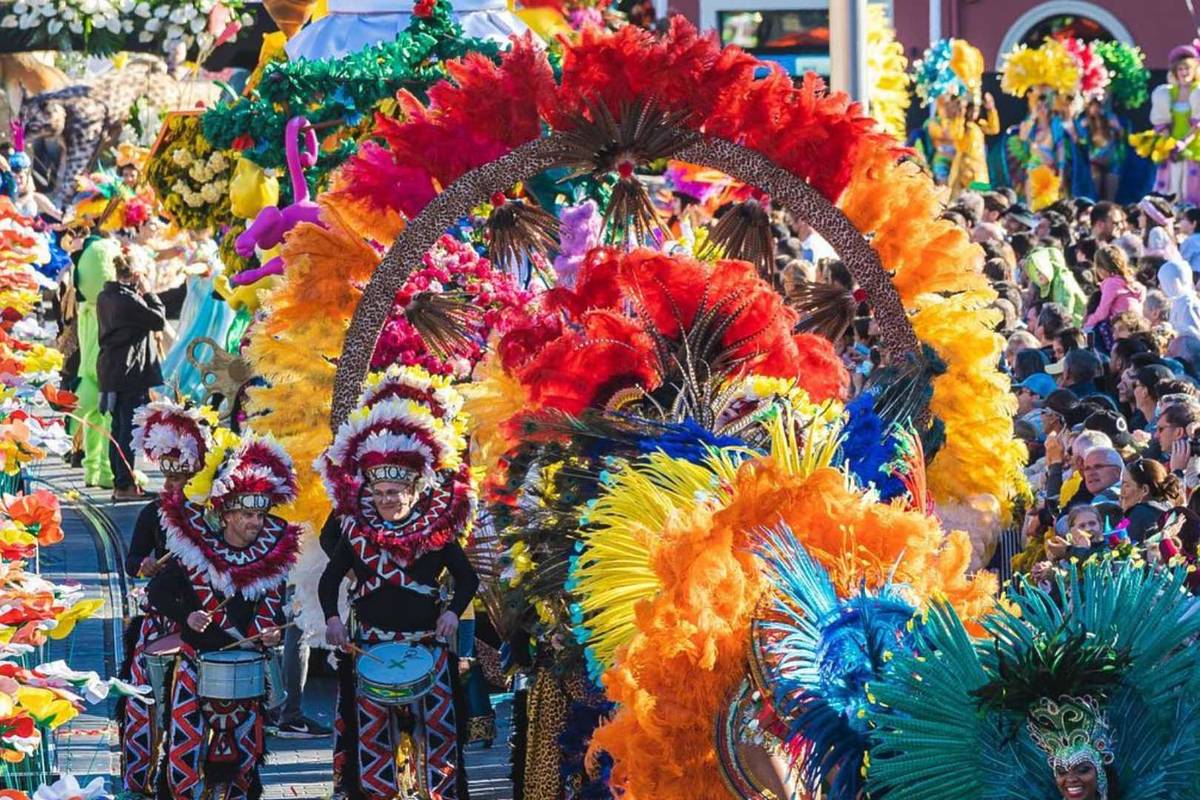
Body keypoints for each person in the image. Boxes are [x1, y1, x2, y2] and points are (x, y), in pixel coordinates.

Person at [317, 366, 478, 800]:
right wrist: (332, 620)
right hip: (370, 647)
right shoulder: (354, 530)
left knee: (440, 739)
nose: (388, 501)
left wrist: (450, 611)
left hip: (426, 646)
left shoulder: (438, 531)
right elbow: (328, 582)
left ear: (413, 491)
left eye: (396, 493)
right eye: (380, 493)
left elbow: (467, 579)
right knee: (371, 742)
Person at [147, 432, 300, 800]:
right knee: (184, 755)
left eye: (260, 515)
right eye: (248, 515)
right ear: (226, 515)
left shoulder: (271, 557)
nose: (256, 523)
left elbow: (273, 607)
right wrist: (189, 616)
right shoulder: (195, 554)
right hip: (196, 664)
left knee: (246, 762)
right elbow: (158, 593)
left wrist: (271, 634)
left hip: (247, 672)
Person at [120, 400, 213, 798]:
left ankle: (191, 778)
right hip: (157, 625)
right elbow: (131, 562)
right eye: (169, 482)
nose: (175, 489)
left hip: (200, 625)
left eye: (183, 480)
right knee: (145, 706)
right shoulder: (150, 514)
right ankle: (141, 776)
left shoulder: (211, 515)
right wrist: (146, 566)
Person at [97, 252, 166, 501]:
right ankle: (125, 485)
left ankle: (122, 483)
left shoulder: (105, 296)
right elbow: (158, 320)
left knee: (119, 429)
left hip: (114, 370)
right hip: (129, 373)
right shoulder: (127, 301)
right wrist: (148, 292)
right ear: (135, 275)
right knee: (127, 430)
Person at [1133, 45, 1200, 206]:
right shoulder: (1165, 93)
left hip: (1194, 147)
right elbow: (1162, 124)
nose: (1184, 72)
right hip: (1172, 148)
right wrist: (1169, 143)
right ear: (1175, 72)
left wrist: (1184, 142)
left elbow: (1197, 124)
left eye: (1187, 68)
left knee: (1191, 187)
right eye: (1181, 69)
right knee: (1171, 188)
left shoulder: (1197, 92)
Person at [1083, 244, 1145, 349]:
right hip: (1137, 325)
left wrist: (1088, 324)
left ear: (1101, 268)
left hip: (1122, 326)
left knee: (1097, 328)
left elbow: (1102, 312)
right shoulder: (1132, 283)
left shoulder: (1111, 283)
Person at [1119, 458, 1183, 543]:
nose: (1121, 491)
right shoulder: (1170, 509)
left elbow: (1128, 551)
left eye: (1127, 485)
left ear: (1145, 490)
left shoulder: (1138, 513)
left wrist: (1124, 517)